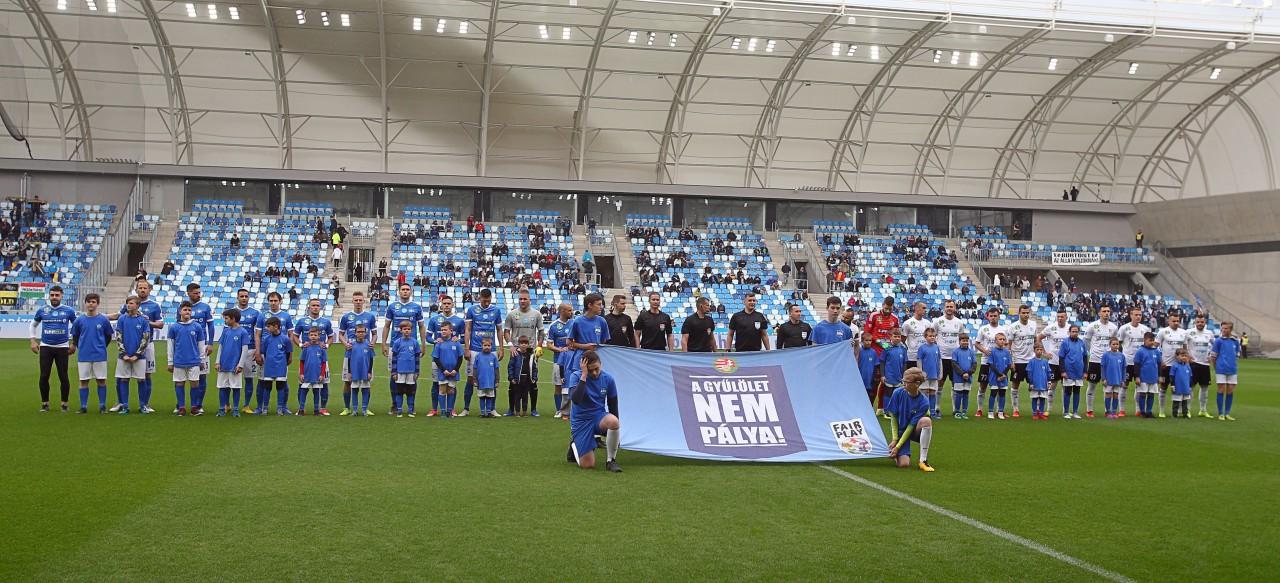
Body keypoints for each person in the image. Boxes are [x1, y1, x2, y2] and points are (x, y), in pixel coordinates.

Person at [566, 350, 622, 472]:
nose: (594, 373)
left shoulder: (608, 379)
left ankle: (611, 461)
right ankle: (574, 445)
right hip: (581, 421)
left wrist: (616, 431)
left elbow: (613, 406)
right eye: (590, 370)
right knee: (588, 465)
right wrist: (584, 376)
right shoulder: (575, 377)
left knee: (613, 421)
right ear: (584, 368)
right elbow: (576, 400)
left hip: (598, 417)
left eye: (596, 369)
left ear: (600, 364)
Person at [30, 285, 77, 412]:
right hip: (46, 347)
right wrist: (33, 340)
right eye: (52, 295)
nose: (54, 297)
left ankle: (64, 404)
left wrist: (74, 343)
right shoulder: (42, 310)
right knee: (44, 376)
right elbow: (33, 325)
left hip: (62, 347)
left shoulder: (69, 311)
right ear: (49, 296)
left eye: (57, 295)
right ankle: (45, 404)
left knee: (63, 376)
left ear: (62, 296)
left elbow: (76, 326)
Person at [383, 283, 427, 415]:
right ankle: (395, 404)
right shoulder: (392, 306)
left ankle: (411, 406)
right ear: (399, 291)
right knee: (394, 375)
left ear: (411, 292)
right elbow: (387, 326)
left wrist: (423, 344)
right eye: (403, 289)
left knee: (413, 375)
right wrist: (384, 343)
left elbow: (421, 326)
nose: (405, 291)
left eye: (407, 289)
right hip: (395, 347)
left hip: (412, 348)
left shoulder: (416, 307)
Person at [460, 288, 503, 416]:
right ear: (479, 298)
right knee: (470, 379)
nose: (486, 303)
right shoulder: (472, 310)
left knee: (492, 378)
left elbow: (499, 330)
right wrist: (467, 348)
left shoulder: (496, 310)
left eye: (488, 301)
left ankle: (492, 409)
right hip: (474, 349)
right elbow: (468, 329)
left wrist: (501, 348)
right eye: (484, 301)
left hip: (491, 350)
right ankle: (466, 409)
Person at [884, 367, 935, 472]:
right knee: (904, 464)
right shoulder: (897, 393)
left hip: (914, 430)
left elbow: (911, 426)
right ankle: (896, 454)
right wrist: (895, 439)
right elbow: (893, 418)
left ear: (917, 384)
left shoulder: (924, 402)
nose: (903, 383)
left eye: (906, 382)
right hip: (901, 432)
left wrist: (898, 447)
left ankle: (923, 460)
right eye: (903, 380)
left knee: (926, 421)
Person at [69, 293, 112, 414]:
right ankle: (83, 406)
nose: (91, 304)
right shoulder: (79, 320)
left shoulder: (103, 319)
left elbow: (108, 336)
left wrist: (101, 346)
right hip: (84, 355)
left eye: (93, 302)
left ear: (98, 304)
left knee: (101, 380)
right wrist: (79, 346)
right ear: (85, 303)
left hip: (100, 355)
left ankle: (102, 406)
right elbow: (75, 336)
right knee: (83, 381)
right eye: (89, 302)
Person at [339, 291, 379, 416]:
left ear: (363, 301)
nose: (358, 302)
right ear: (352, 301)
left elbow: (374, 334)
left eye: (360, 300)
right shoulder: (346, 317)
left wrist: (372, 342)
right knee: (347, 381)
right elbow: (340, 334)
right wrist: (345, 343)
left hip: (365, 353)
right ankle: (347, 408)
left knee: (366, 380)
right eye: (355, 300)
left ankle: (365, 408)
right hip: (350, 353)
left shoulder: (370, 316)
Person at [294, 298, 336, 415]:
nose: (315, 307)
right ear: (309, 307)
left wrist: (326, 345)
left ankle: (322, 408)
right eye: (313, 305)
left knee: (324, 383)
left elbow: (331, 337)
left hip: (320, 357)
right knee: (302, 383)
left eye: (317, 305)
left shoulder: (326, 322)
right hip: (307, 357)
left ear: (320, 307)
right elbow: (295, 336)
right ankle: (301, 408)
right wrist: (301, 344)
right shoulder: (302, 321)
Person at [255, 292, 294, 415]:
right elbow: (258, 335)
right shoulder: (262, 315)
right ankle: (260, 407)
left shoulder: (286, 316)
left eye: (275, 300)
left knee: (282, 382)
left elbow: (291, 335)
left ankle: (283, 407)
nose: (273, 303)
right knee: (262, 381)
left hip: (281, 354)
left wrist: (290, 354)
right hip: (266, 353)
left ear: (280, 301)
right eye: (271, 301)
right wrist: (258, 353)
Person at [426, 295, 465, 417]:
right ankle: (434, 409)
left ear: (452, 305)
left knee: (452, 384)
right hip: (438, 358)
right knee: (436, 383)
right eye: (444, 303)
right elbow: (428, 337)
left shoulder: (459, 321)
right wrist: (435, 341)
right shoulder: (434, 319)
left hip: (452, 358)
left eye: (449, 303)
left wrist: (458, 339)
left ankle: (451, 409)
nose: (446, 305)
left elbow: (464, 338)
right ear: (441, 305)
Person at [167, 302, 208, 417]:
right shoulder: (174, 327)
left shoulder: (197, 326)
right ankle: (181, 407)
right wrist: (170, 362)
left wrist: (202, 360)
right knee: (179, 383)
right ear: (180, 311)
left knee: (195, 383)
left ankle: (194, 407)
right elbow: (170, 345)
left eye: (189, 310)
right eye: (185, 310)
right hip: (179, 361)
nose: (187, 312)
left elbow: (201, 344)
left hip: (194, 361)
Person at [113, 296, 151, 414]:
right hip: (124, 356)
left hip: (139, 357)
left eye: (131, 303)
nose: (128, 305)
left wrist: (137, 354)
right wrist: (123, 353)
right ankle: (125, 406)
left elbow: (145, 338)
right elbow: (118, 337)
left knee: (141, 380)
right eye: (127, 303)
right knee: (124, 379)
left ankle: (142, 405)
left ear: (137, 305)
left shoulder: (143, 320)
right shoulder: (122, 319)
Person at [215, 308, 253, 417]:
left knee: (236, 387)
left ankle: (236, 409)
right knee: (222, 387)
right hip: (223, 365)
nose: (225, 320)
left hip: (234, 365)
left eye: (226, 318)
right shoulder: (226, 331)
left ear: (233, 319)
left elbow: (244, 350)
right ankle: (222, 408)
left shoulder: (242, 332)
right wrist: (217, 362)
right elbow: (221, 347)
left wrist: (240, 365)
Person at [185, 283, 216, 415]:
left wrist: (210, 343)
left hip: (201, 346)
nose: (198, 295)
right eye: (196, 293)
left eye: (199, 293)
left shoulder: (205, 307)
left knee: (202, 376)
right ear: (188, 293)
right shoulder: (183, 307)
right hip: (186, 346)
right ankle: (180, 405)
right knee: (181, 377)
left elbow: (211, 326)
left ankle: (198, 404)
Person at [1083, 306, 1118, 418]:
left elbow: (1114, 342)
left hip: (1108, 361)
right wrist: (1092, 352)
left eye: (1108, 311)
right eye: (1104, 311)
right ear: (1099, 313)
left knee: (1108, 387)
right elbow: (1086, 341)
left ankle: (1107, 411)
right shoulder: (1092, 326)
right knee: (1092, 386)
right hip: (1095, 360)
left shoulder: (1113, 327)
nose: (1106, 313)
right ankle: (1089, 410)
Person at [230, 289, 261, 415]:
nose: (244, 298)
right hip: (234, 350)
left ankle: (246, 405)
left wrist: (258, 350)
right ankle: (227, 404)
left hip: (250, 349)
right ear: (237, 297)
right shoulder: (232, 312)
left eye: (246, 296)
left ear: (249, 298)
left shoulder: (255, 313)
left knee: (249, 378)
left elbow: (258, 333)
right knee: (230, 377)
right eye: (241, 296)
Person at [1114, 306, 1148, 418]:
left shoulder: (1145, 329)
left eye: (1140, 315)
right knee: (1124, 385)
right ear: (1131, 315)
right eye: (1136, 314)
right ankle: (1122, 410)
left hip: (1141, 363)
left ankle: (1138, 410)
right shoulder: (1124, 328)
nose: (1138, 317)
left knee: (1140, 386)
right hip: (1127, 362)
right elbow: (1118, 344)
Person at [1036, 308, 1071, 417]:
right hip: (1053, 362)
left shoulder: (1070, 328)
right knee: (1051, 387)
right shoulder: (1051, 327)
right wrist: (1044, 353)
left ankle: (1065, 411)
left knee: (1066, 387)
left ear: (1066, 317)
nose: (1060, 318)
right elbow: (1039, 338)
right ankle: (1048, 409)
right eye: (1058, 317)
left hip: (1066, 363)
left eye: (1062, 317)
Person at [1006, 305, 1039, 418]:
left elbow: (1035, 341)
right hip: (1018, 360)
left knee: (1034, 384)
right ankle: (1015, 409)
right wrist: (1011, 361)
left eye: (1027, 313)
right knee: (1015, 385)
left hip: (1031, 361)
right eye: (1023, 313)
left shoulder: (1033, 325)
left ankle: (1036, 409)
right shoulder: (1013, 327)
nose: (1025, 315)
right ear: (1019, 313)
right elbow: (1009, 346)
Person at [1155, 313, 1188, 418]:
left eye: (1177, 321)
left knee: (1178, 388)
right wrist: (1160, 361)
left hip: (1178, 366)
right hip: (1165, 365)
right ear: (1168, 321)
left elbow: (1185, 348)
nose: (1176, 323)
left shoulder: (1183, 333)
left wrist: (1186, 360)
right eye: (1173, 321)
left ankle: (1179, 411)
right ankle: (1161, 411)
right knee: (1163, 388)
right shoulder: (1163, 332)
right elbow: (1155, 347)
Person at [973, 307, 1004, 419]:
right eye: (991, 316)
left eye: (995, 316)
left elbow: (1006, 344)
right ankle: (979, 409)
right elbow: (976, 343)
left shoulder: (1003, 329)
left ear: (999, 316)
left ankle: (999, 410)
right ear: (988, 317)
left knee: (999, 387)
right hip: (986, 362)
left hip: (999, 364)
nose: (993, 318)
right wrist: (984, 351)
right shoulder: (983, 329)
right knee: (983, 386)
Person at [931, 300, 965, 399]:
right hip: (942, 357)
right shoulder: (937, 321)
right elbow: (932, 336)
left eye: (951, 306)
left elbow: (961, 338)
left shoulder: (959, 322)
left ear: (955, 308)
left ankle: (955, 407)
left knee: (955, 383)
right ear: (944, 308)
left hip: (955, 358)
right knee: (940, 382)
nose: (949, 308)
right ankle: (937, 406)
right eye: (947, 307)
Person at [546, 303, 574, 418]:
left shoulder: (574, 323)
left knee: (573, 385)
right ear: (562, 311)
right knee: (558, 385)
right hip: (558, 360)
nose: (571, 312)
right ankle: (559, 410)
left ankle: (572, 410)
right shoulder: (553, 326)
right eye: (569, 310)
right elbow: (549, 345)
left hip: (573, 360)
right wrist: (560, 349)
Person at [431, 321, 464, 418]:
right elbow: (436, 358)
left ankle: (449, 411)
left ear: (451, 331)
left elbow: (460, 358)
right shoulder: (439, 343)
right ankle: (442, 411)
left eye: (445, 330)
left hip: (453, 372)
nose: (443, 331)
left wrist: (455, 370)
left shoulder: (456, 343)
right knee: (442, 390)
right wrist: (443, 370)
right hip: (443, 372)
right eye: (442, 330)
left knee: (451, 390)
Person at [390, 321, 423, 417]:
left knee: (410, 392)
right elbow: (394, 358)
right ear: (401, 331)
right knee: (399, 392)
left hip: (411, 372)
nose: (407, 331)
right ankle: (399, 410)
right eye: (404, 329)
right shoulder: (397, 342)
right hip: (400, 372)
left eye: (408, 329)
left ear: (411, 330)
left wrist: (417, 371)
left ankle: (410, 410)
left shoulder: (414, 342)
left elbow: (417, 358)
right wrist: (394, 372)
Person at [1186, 314, 1217, 418]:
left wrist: (1211, 356)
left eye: (1202, 322)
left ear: (1205, 323)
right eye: (1198, 322)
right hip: (1193, 364)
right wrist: (1187, 356)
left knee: (1204, 388)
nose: (1200, 324)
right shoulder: (1189, 332)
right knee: (1190, 388)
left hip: (1205, 364)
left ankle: (1203, 410)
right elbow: (1183, 345)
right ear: (1195, 322)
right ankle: (1188, 410)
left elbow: (1215, 345)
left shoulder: (1209, 333)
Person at [1209, 321, 1240, 421]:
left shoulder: (1235, 341)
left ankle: (1227, 413)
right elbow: (1213, 357)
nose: (1223, 330)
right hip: (1221, 369)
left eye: (1226, 328)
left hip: (1232, 369)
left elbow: (1236, 355)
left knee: (1230, 391)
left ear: (1231, 329)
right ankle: (1220, 413)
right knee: (1221, 390)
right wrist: (1216, 367)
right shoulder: (1218, 341)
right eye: (1222, 328)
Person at [296, 328, 328, 416]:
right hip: (307, 374)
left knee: (316, 391)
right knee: (303, 390)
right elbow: (302, 361)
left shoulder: (322, 348)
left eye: (315, 335)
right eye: (311, 335)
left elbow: (324, 363)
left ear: (319, 336)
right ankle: (301, 409)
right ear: (308, 336)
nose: (313, 337)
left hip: (317, 374)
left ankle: (316, 410)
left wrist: (322, 374)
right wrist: (301, 373)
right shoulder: (306, 348)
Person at [347, 324, 376, 416]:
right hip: (355, 371)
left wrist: (369, 372)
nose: (361, 333)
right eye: (359, 332)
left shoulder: (369, 345)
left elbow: (371, 359)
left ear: (365, 333)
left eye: (362, 332)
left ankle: (364, 409)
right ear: (355, 333)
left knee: (365, 390)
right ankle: (355, 410)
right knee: (354, 390)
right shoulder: (351, 345)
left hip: (365, 371)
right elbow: (349, 359)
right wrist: (349, 372)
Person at [1058, 325, 1087, 418]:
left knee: (1077, 391)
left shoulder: (1081, 343)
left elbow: (1085, 357)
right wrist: (1063, 371)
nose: (1075, 333)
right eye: (1073, 331)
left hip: (1079, 371)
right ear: (1069, 332)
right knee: (1068, 391)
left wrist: (1085, 371)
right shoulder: (1065, 342)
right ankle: (1066, 412)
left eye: (1076, 331)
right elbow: (1061, 357)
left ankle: (1075, 412)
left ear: (1079, 332)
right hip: (1069, 371)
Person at [879, 330, 908, 418]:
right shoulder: (887, 348)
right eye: (895, 336)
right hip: (889, 376)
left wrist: (904, 375)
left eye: (898, 336)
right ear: (891, 337)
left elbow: (905, 363)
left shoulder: (903, 349)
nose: (897, 338)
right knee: (888, 393)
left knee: (897, 394)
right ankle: (886, 411)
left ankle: (894, 410)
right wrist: (883, 375)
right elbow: (882, 362)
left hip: (898, 376)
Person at [507, 336, 538, 417]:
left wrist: (534, 378)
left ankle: (524, 412)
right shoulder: (515, 354)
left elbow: (534, 367)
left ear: (528, 344)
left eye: (525, 343)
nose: (523, 345)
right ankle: (517, 412)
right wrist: (511, 378)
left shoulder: (531, 355)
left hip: (527, 379)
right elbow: (510, 366)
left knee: (525, 396)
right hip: (517, 379)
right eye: (522, 343)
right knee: (517, 396)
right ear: (518, 344)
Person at [1133, 332, 1161, 418]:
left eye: (1153, 340)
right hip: (1143, 377)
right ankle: (1142, 412)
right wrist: (1137, 377)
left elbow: (1159, 364)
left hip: (1153, 377)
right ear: (1145, 340)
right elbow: (1136, 365)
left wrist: (1159, 376)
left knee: (1151, 394)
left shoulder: (1156, 351)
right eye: (1150, 340)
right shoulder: (1140, 351)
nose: (1152, 342)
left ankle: (1149, 411)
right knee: (1143, 394)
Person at [472, 338, 501, 418]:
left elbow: (496, 369)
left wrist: (497, 381)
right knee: (482, 397)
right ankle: (482, 413)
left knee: (489, 397)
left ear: (491, 346)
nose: (487, 347)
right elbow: (475, 369)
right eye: (485, 345)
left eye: (489, 345)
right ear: (482, 346)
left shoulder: (493, 357)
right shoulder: (478, 356)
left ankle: (488, 412)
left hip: (490, 382)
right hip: (481, 382)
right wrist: (475, 380)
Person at [950, 334, 977, 419]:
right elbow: (954, 364)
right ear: (959, 342)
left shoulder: (971, 352)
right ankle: (957, 411)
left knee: (966, 394)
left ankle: (964, 412)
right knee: (958, 394)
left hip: (968, 377)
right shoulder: (956, 352)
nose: (965, 342)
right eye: (963, 341)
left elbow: (974, 364)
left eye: (966, 341)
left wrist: (968, 373)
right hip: (958, 377)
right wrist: (962, 374)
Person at [917, 329, 942, 418]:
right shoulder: (922, 348)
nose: (932, 338)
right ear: (925, 337)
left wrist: (940, 373)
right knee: (924, 393)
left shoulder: (936, 347)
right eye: (930, 336)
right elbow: (919, 361)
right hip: (925, 376)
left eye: (933, 336)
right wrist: (921, 372)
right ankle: (924, 412)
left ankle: (932, 412)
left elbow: (939, 360)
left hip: (934, 375)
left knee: (933, 393)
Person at [901, 302, 932, 369]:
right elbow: (902, 341)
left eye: (925, 308)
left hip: (925, 356)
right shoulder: (907, 323)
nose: (925, 310)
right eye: (923, 308)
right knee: (913, 375)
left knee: (925, 375)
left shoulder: (928, 323)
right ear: (916, 308)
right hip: (912, 357)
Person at [1101, 339, 1127, 419]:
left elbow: (1124, 369)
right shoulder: (1106, 355)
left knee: (1116, 395)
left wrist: (1123, 380)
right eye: (1113, 344)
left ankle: (1114, 412)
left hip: (1118, 379)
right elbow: (1103, 367)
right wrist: (1104, 378)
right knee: (1108, 394)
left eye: (1117, 344)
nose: (1115, 346)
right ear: (1110, 345)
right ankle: (1108, 412)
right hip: (1108, 379)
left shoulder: (1121, 356)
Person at [1026, 345, 1051, 420]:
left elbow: (1048, 372)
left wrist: (1049, 382)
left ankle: (1041, 413)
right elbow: (1029, 373)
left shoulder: (1045, 361)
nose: (1039, 351)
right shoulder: (1031, 361)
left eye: (1041, 349)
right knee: (1034, 398)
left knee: (1043, 398)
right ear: (1034, 351)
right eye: (1037, 349)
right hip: (1035, 384)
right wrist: (1031, 383)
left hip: (1043, 384)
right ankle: (1034, 413)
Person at [1170, 349, 1194, 419]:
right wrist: (1172, 385)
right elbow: (1171, 376)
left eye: (1185, 356)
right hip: (1178, 387)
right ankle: (1174, 414)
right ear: (1177, 356)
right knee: (1176, 401)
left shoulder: (1188, 366)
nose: (1184, 357)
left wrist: (1190, 386)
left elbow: (1190, 376)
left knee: (1185, 401)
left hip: (1185, 387)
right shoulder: (1175, 366)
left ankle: (1185, 414)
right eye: (1182, 356)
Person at [856, 335, 880, 406]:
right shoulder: (859, 351)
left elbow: (876, 366)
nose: (868, 342)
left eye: (870, 340)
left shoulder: (873, 352)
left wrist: (875, 379)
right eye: (866, 340)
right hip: (860, 381)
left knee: (869, 402)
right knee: (859, 401)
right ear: (862, 341)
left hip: (870, 382)